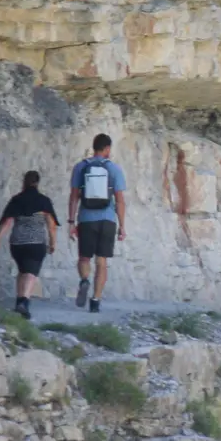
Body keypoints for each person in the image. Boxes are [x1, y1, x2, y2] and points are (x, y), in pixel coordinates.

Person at [70, 133, 127, 313]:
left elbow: (73, 197)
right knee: (101, 262)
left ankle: (84, 279)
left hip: (86, 219)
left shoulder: (81, 167)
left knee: (84, 258)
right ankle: (95, 300)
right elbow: (119, 200)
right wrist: (122, 226)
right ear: (108, 149)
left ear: (94, 147)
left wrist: (71, 221)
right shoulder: (114, 169)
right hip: (108, 220)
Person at [0, 171, 58, 320]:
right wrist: (53, 242)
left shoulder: (17, 200)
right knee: (31, 273)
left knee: (22, 271)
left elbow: (7, 222)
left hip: (17, 243)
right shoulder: (44, 201)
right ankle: (24, 302)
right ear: (37, 182)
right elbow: (51, 224)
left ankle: (18, 301)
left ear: (24, 181)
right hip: (36, 243)